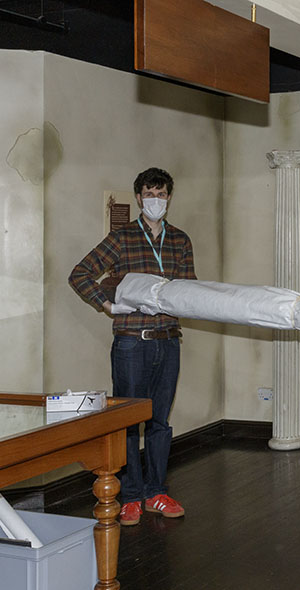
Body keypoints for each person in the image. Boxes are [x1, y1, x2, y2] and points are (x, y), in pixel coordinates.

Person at [69, 167, 197, 526]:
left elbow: (189, 288)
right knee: (128, 421)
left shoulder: (180, 240)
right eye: (149, 193)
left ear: (169, 197)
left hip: (168, 342)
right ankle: (130, 497)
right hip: (131, 343)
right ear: (139, 197)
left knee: (159, 422)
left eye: (162, 193)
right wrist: (107, 305)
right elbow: (79, 274)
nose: (155, 199)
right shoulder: (122, 238)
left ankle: (156, 491)